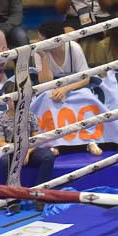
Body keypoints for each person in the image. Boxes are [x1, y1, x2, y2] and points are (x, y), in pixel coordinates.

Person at [34, 20, 102, 156]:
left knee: (85, 96)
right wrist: (43, 57)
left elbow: (86, 78)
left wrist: (66, 89)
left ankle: (90, 140)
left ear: (53, 41)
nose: (37, 41)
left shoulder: (74, 48)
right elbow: (44, 82)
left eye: (41, 39)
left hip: (76, 86)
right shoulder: (38, 51)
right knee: (47, 99)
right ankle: (56, 142)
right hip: (52, 88)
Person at [0, 80, 58, 213]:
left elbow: (36, 138)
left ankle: (39, 195)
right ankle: (12, 198)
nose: (16, 102)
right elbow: (0, 142)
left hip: (30, 150)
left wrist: (27, 152)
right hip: (12, 152)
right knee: (3, 162)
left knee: (48, 156)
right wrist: (18, 152)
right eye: (12, 99)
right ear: (6, 99)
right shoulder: (1, 119)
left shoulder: (29, 115)